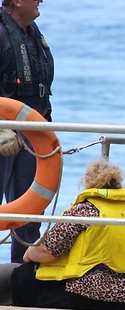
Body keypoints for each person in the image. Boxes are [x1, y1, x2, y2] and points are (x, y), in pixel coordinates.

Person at [8, 160, 125, 310]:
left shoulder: (86, 210)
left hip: (91, 296)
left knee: (23, 276)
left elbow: (46, 251)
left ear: (88, 182)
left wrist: (28, 255)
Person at [0, 0, 54, 263]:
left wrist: (47, 129)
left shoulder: (33, 34)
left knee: (29, 217)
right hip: (2, 134)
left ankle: (22, 282)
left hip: (32, 135)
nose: (41, 0)